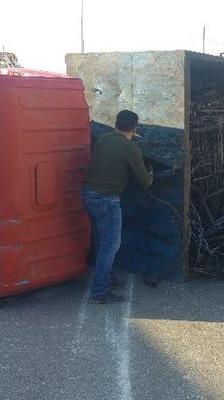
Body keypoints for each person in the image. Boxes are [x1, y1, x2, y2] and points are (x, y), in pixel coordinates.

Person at [81, 110, 152, 304]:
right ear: (135, 127)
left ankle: (107, 278)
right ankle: (99, 292)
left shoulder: (103, 139)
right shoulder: (130, 148)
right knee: (111, 245)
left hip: (87, 195)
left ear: (116, 123)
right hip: (106, 200)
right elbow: (144, 181)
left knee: (101, 241)